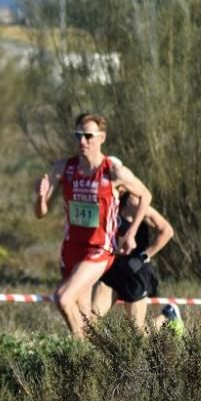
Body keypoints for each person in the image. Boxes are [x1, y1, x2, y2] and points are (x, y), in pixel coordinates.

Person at [35, 113, 152, 339]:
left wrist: (131, 234)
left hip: (99, 249)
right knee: (83, 315)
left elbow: (146, 196)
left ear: (102, 138)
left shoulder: (113, 171)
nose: (82, 141)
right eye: (78, 136)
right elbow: (40, 213)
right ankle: (96, 360)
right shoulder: (63, 168)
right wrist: (40, 198)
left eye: (88, 136)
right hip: (71, 248)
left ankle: (81, 357)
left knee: (63, 298)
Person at [92, 187, 175, 329]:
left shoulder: (133, 202)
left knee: (136, 334)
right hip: (112, 267)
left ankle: (168, 317)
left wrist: (143, 256)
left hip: (134, 270)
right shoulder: (103, 198)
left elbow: (167, 231)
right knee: (91, 321)